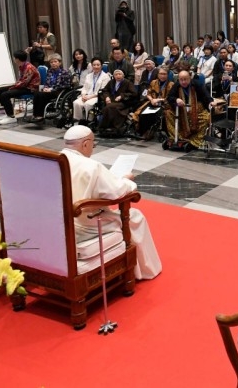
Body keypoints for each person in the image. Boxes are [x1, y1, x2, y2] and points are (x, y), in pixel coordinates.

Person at [61, 125, 161, 280]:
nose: (92, 149)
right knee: (135, 217)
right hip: (89, 225)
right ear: (86, 144)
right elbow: (117, 192)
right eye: (92, 145)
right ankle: (145, 271)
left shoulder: (56, 160)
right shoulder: (92, 166)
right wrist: (126, 181)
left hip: (63, 222)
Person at [165, 70, 217, 150]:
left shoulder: (197, 84)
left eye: (185, 79)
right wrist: (176, 100)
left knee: (206, 118)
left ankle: (195, 141)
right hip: (182, 110)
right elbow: (169, 97)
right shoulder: (177, 85)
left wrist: (210, 102)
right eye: (181, 79)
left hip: (197, 110)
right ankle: (178, 137)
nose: (183, 82)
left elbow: (206, 96)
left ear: (189, 78)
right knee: (168, 113)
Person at [0, 50, 41, 125]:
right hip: (23, 86)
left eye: (14, 57)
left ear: (17, 59)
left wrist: (12, 87)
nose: (13, 59)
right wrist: (13, 86)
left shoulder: (29, 67)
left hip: (30, 88)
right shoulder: (22, 66)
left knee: (5, 94)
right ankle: (7, 110)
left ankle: (11, 117)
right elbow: (21, 81)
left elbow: (24, 83)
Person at [132, 67, 174, 140]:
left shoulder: (171, 84)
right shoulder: (153, 82)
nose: (162, 76)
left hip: (164, 104)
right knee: (142, 113)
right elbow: (148, 93)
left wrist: (158, 100)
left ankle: (150, 132)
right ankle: (141, 132)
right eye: (161, 74)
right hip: (152, 102)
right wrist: (151, 100)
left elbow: (170, 98)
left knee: (154, 114)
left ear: (167, 75)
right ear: (158, 74)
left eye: (164, 74)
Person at [29, 54, 72, 123]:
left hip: (59, 91)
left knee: (41, 95)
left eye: (55, 61)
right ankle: (35, 114)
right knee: (37, 93)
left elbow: (66, 85)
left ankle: (40, 115)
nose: (53, 64)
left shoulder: (65, 72)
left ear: (60, 62)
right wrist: (45, 88)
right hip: (49, 90)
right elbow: (47, 82)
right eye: (51, 62)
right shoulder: (50, 71)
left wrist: (52, 89)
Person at [72, 58, 111, 124]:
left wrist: (90, 97)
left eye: (98, 65)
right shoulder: (88, 76)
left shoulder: (106, 76)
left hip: (97, 96)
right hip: (86, 95)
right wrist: (83, 95)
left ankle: (89, 121)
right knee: (76, 103)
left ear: (101, 66)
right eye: (94, 65)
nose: (96, 67)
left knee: (88, 104)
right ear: (92, 66)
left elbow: (103, 90)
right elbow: (84, 87)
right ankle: (79, 120)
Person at [98, 69, 137, 135]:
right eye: (116, 74)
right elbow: (105, 90)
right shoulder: (111, 82)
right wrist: (107, 97)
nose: (118, 76)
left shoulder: (128, 82)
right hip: (112, 101)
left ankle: (113, 127)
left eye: (120, 74)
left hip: (124, 102)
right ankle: (106, 128)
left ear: (123, 75)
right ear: (114, 76)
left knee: (109, 107)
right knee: (109, 107)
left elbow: (134, 93)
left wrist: (121, 96)